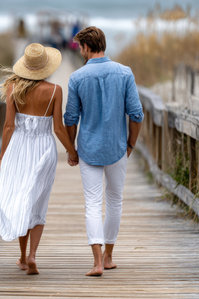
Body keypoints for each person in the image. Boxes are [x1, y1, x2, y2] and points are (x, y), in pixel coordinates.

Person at [0, 43, 78, 275]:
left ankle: (21, 256)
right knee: (38, 201)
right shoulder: (55, 90)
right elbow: (58, 128)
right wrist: (71, 151)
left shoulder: (13, 88)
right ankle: (33, 255)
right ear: (46, 67)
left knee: (21, 199)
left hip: (18, 148)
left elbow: (8, 126)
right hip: (43, 149)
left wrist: (3, 155)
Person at [63, 26, 144, 276]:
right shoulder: (125, 73)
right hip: (117, 148)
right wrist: (130, 144)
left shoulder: (77, 78)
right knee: (115, 201)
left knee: (92, 203)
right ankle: (109, 256)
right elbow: (137, 114)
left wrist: (72, 150)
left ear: (86, 48)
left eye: (80, 48)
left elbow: (70, 118)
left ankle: (97, 262)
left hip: (89, 149)